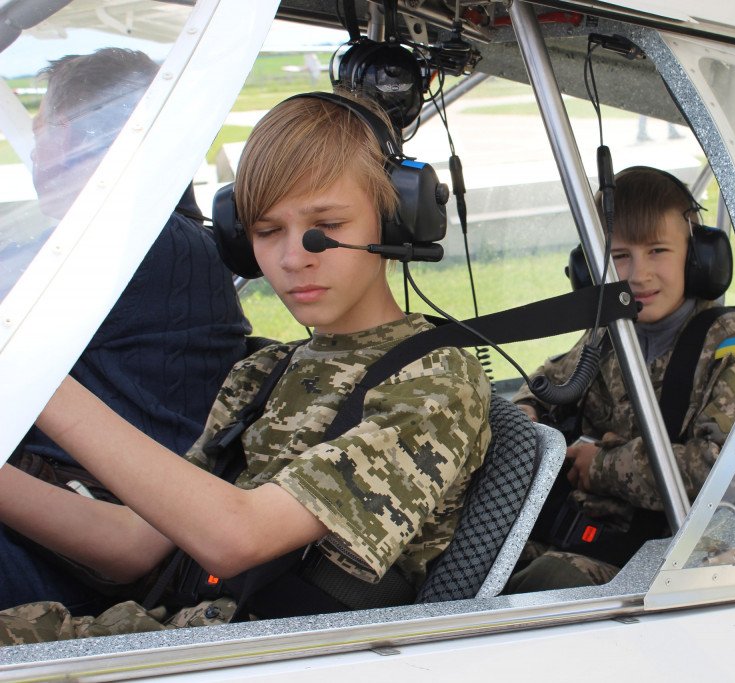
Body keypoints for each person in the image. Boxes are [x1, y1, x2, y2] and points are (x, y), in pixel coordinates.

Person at [0, 92, 491, 644]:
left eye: (325, 227)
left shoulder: (432, 380)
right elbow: (134, 546)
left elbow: (238, 536)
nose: (292, 258)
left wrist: (33, 373)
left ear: (395, 217)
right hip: (179, 633)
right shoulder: (263, 374)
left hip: (272, 655)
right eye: (265, 232)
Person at [0, 48, 250, 612]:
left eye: (45, 132)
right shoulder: (152, 239)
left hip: (79, 568)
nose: (39, 153)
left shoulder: (136, 246)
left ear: (80, 135)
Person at [507, 166, 735, 591]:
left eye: (658, 251)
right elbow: (550, 381)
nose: (638, 275)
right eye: (620, 256)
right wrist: (526, 409)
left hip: (667, 561)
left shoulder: (730, 345)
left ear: (699, 258)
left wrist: (603, 468)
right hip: (591, 538)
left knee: (544, 583)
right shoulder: (610, 335)